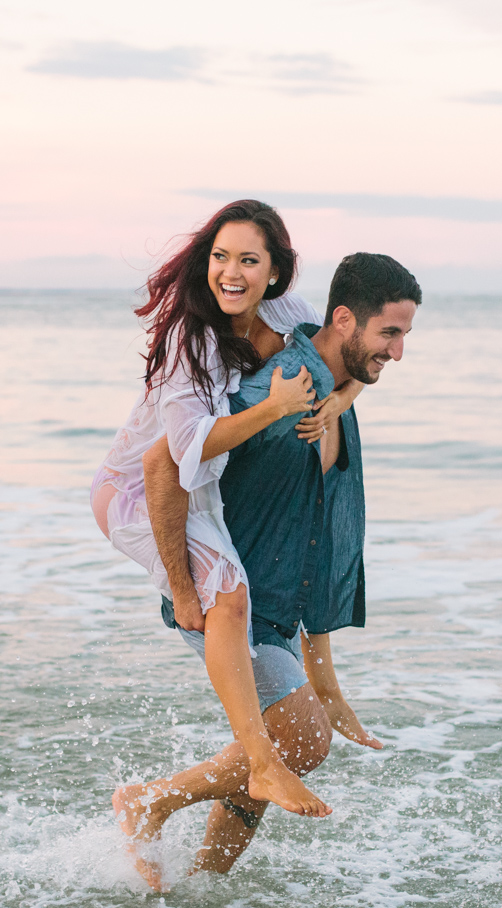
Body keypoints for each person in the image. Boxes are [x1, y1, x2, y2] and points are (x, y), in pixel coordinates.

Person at [114, 253, 422, 886]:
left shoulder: (336, 393)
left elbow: (324, 539)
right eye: (389, 333)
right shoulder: (282, 386)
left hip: (275, 602)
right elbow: (162, 466)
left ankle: (199, 895)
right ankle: (151, 801)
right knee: (302, 741)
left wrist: (328, 681)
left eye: (404, 336)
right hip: (228, 596)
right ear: (344, 320)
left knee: (275, 751)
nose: (397, 351)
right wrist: (183, 589)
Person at [91, 200, 362, 826]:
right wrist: (275, 408)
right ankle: (254, 768)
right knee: (229, 598)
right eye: (220, 257)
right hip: (134, 494)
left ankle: (182, 826)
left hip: (204, 491)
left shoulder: (285, 314)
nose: (230, 272)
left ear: (275, 272)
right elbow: (180, 453)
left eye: (247, 259)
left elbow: (346, 366)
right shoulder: (192, 340)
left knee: (244, 616)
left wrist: (336, 404)